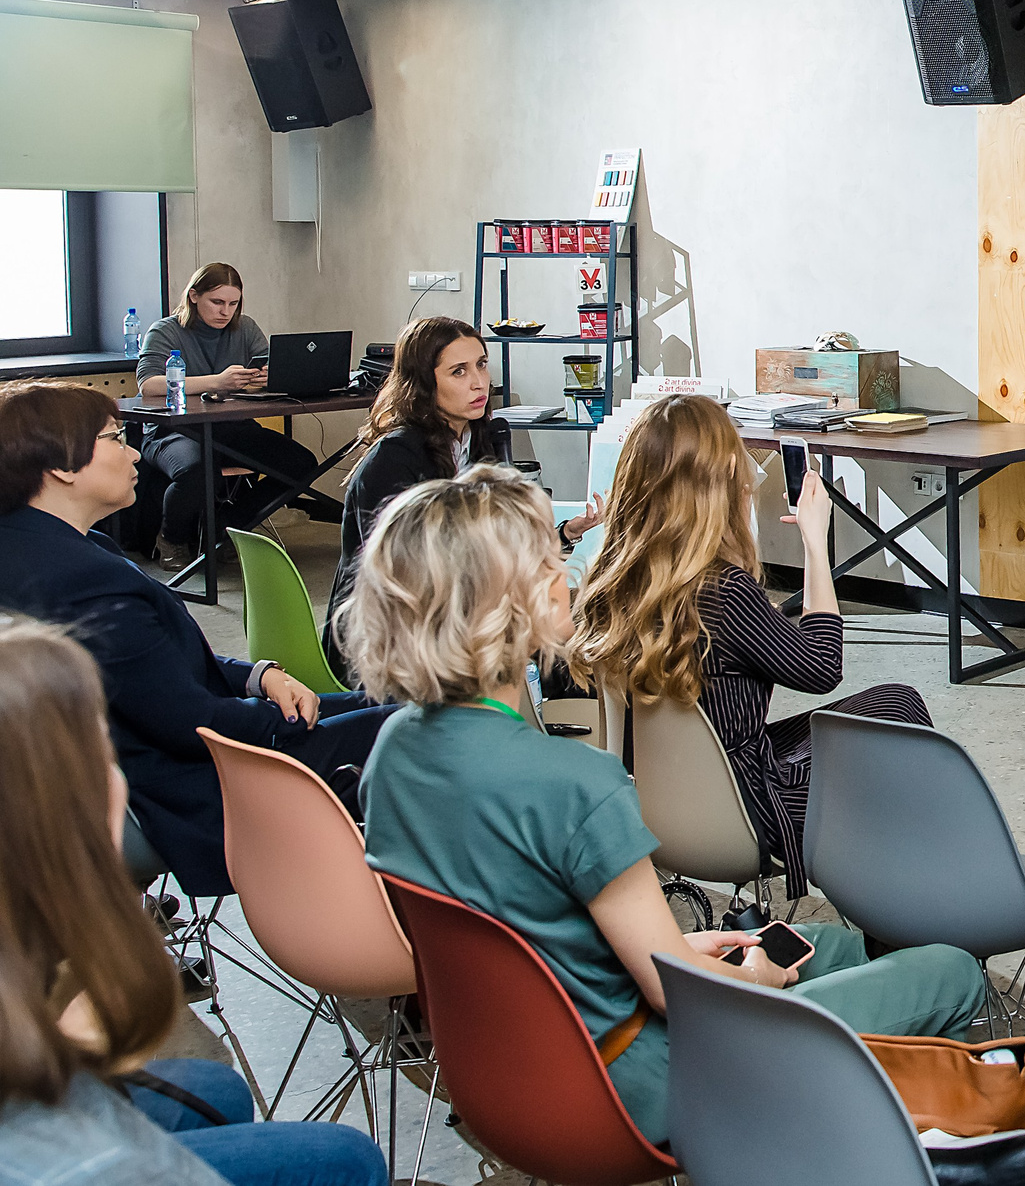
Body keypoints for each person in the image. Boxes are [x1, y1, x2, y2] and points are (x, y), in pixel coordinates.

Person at [346, 466, 983, 1145]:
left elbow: (524, 926)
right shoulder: (574, 784)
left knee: (830, 945)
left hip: (498, 1075)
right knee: (948, 971)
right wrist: (735, 974)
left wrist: (677, 947)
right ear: (506, 604)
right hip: (639, 1083)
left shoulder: (393, 754)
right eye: (546, 558)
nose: (564, 568)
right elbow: (670, 990)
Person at [0, 616, 389, 1186]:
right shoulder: (96, 1164)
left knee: (215, 1088)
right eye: (105, 756)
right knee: (344, 1158)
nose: (120, 779)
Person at [0, 382, 393, 898]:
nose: (134, 450)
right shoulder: (80, 581)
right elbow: (189, 723)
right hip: (188, 785)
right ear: (63, 468)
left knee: (392, 705)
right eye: (116, 438)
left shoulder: (45, 546)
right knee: (416, 724)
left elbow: (153, 664)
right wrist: (284, 721)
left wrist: (259, 675)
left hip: (162, 752)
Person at [569, 393, 930, 899]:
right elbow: (823, 668)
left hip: (653, 803)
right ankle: (907, 919)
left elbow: (745, 640)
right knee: (905, 741)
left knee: (894, 702)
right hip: (742, 810)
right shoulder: (725, 590)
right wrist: (814, 545)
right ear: (715, 488)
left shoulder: (609, 578)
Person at [322, 317, 599, 672]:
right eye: (458, 372)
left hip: (462, 615)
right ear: (423, 383)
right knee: (561, 657)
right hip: (390, 636)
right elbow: (406, 577)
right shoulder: (394, 459)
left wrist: (562, 535)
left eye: (481, 365)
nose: (478, 382)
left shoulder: (481, 438)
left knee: (590, 629)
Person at [134, 262, 337, 561]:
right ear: (193, 296)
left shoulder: (245, 328)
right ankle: (171, 538)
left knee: (301, 463)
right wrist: (217, 381)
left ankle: (226, 527)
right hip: (173, 432)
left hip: (231, 428)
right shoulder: (165, 330)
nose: (225, 312)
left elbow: (268, 368)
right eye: (216, 302)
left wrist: (267, 378)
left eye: (233, 303)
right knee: (196, 470)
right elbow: (148, 384)